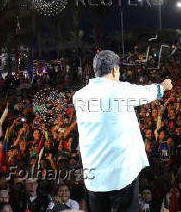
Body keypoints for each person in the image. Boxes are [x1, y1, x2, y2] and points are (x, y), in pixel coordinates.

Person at [73, 50, 173, 212]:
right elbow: (148, 92)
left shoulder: (79, 96)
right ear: (114, 70)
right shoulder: (121, 90)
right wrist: (164, 86)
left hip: (94, 176)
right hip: (121, 175)